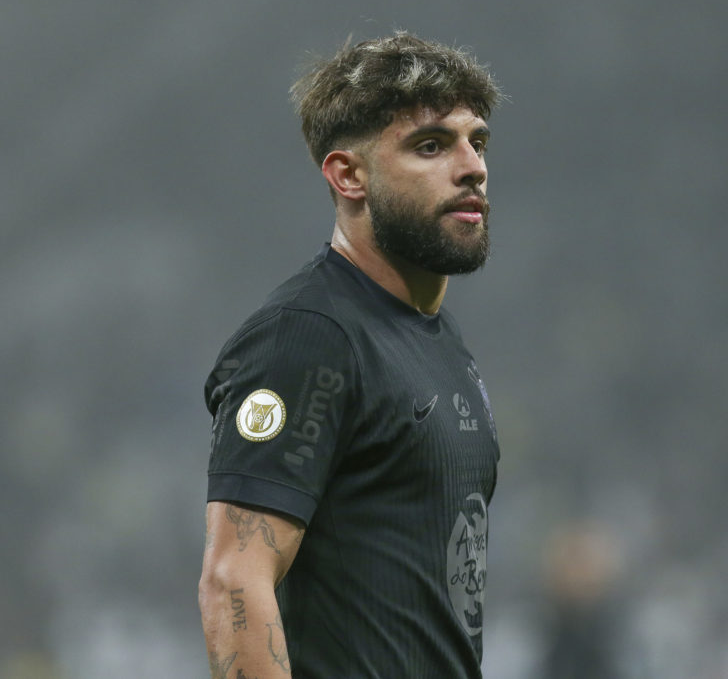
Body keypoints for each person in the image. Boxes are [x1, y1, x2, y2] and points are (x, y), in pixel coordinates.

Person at [197, 33, 503, 679]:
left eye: (477, 140)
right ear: (348, 174)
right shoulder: (308, 337)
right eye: (431, 144)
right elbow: (233, 581)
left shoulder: (438, 340)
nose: (471, 164)